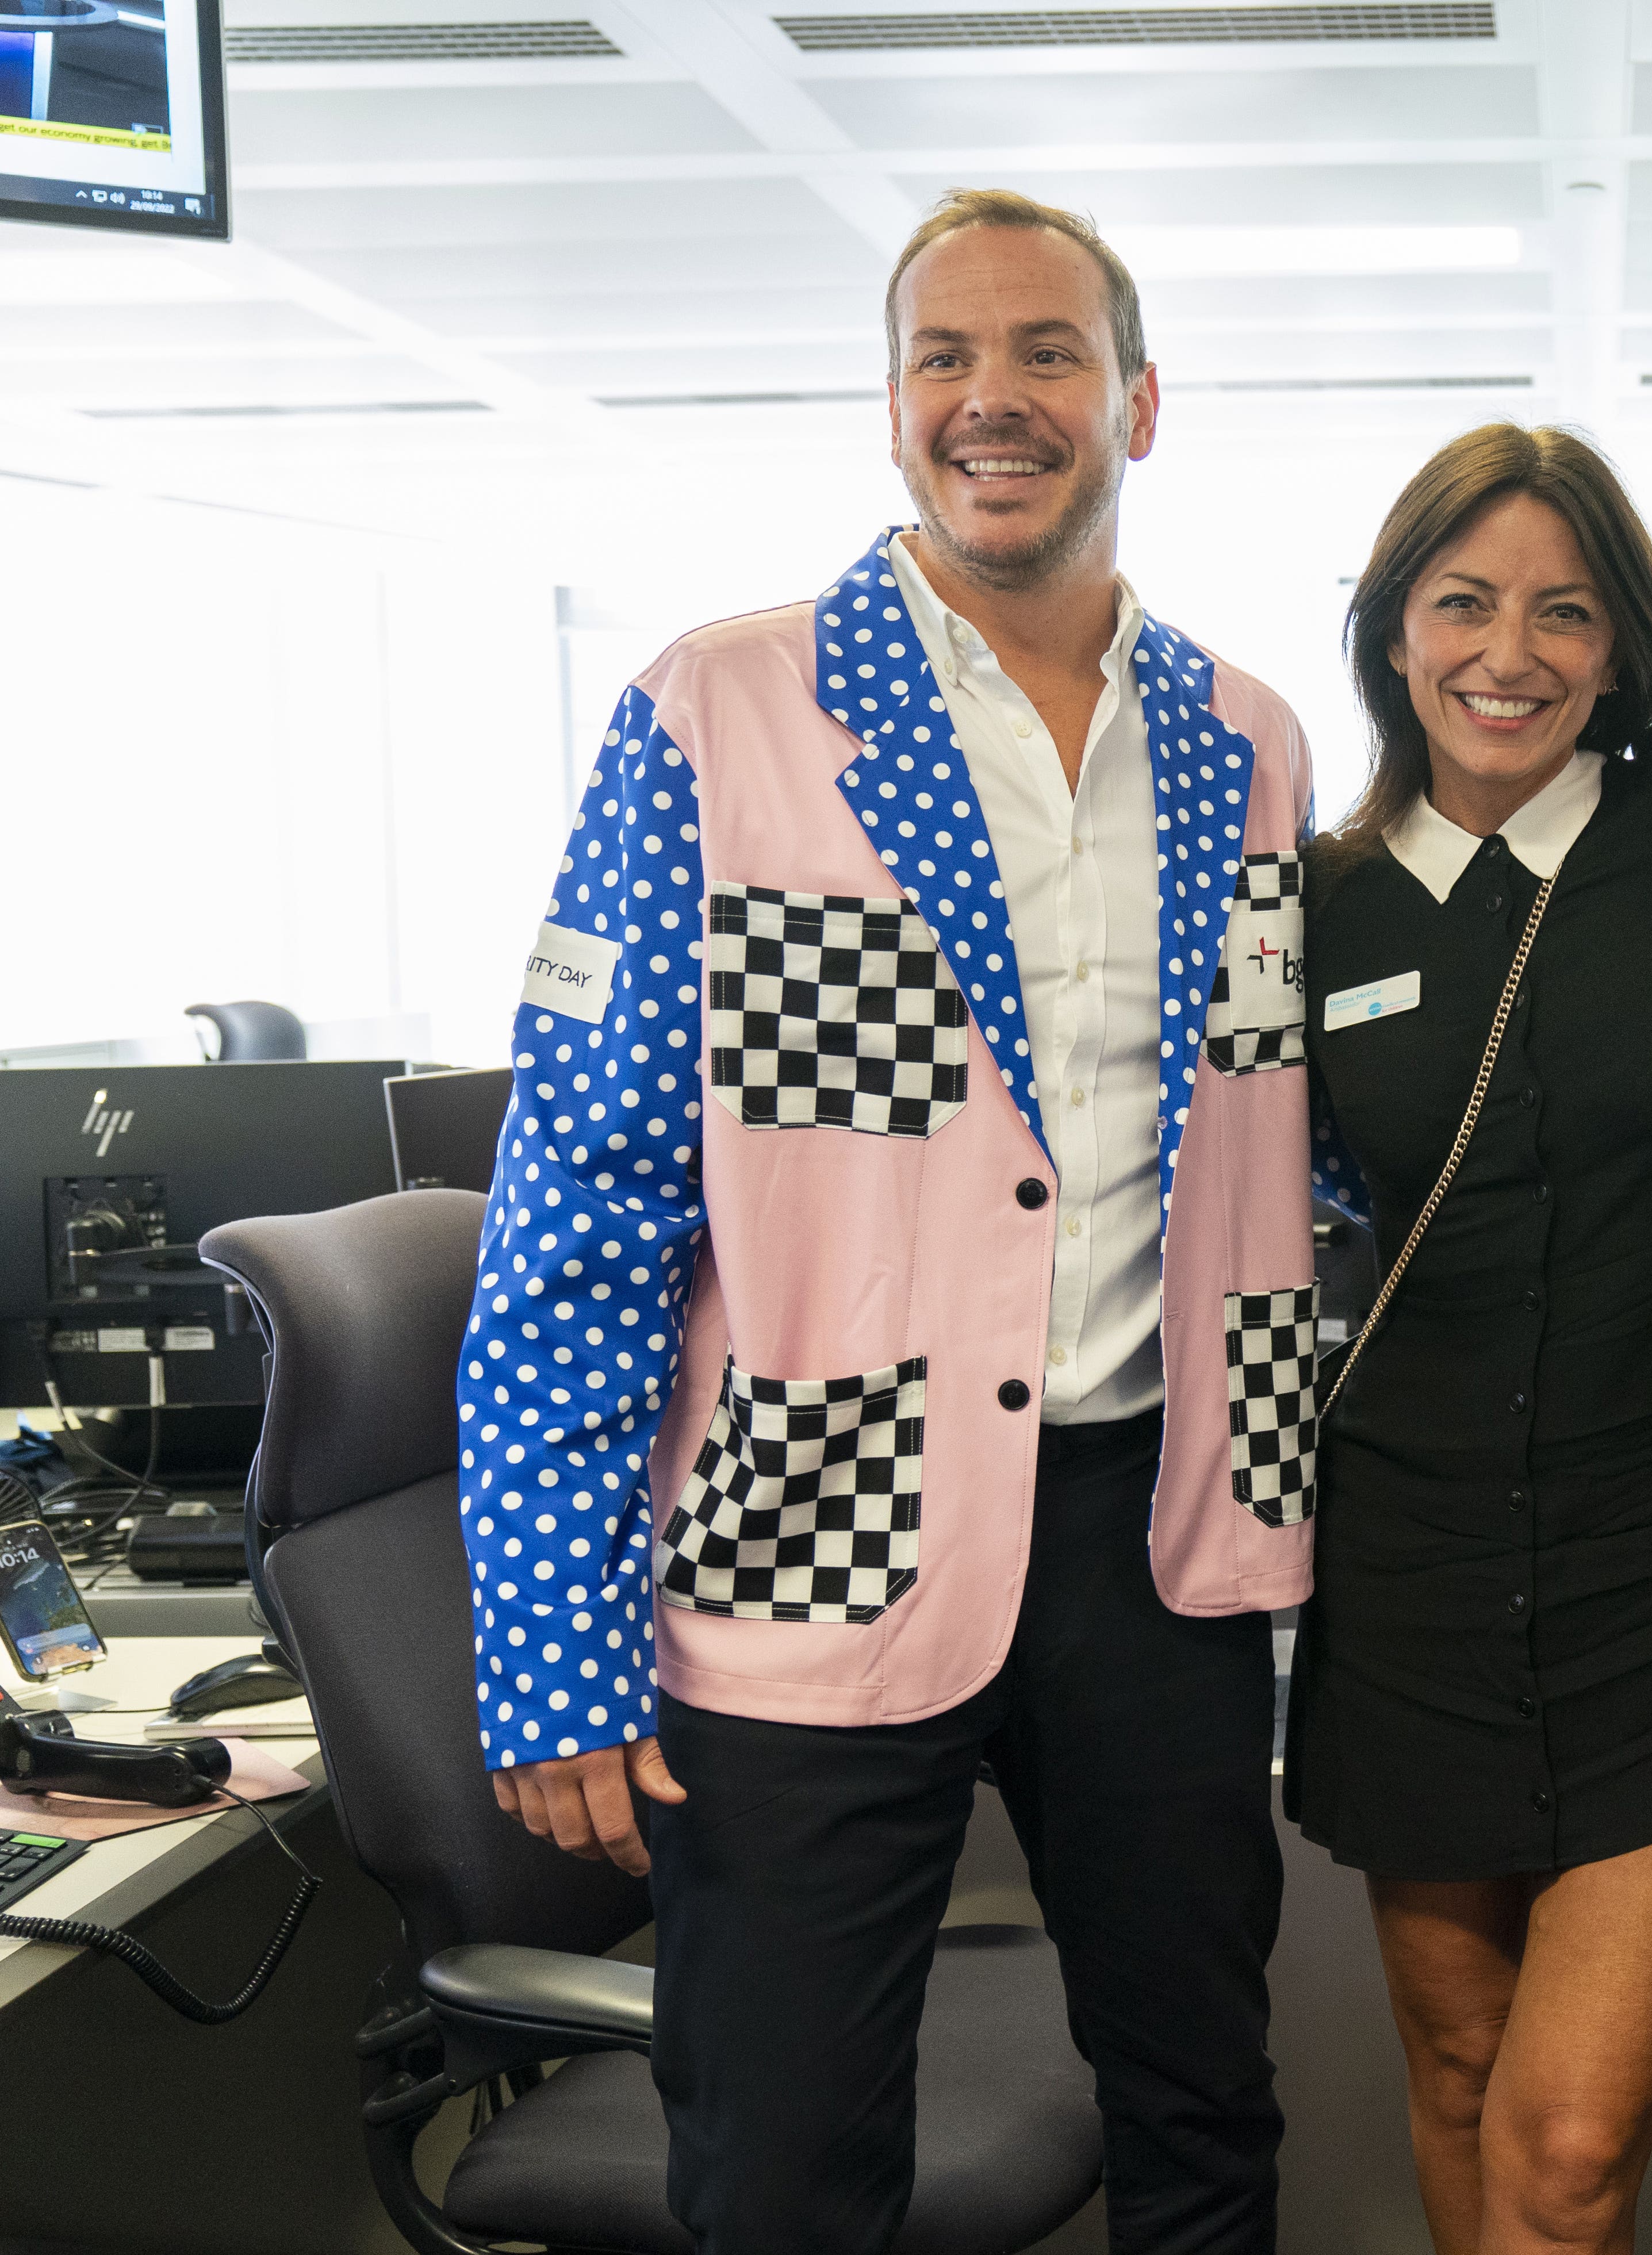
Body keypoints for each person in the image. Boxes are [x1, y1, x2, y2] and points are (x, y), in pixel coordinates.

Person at [458, 189, 1320, 2254]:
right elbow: (575, 1192)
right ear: (890, 403)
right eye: (944, 356)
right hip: (808, 1538)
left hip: (1154, 1542)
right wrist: (548, 1646)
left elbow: (1272, 1143)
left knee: (1201, 2106)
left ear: (1136, 400)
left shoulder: (1241, 738)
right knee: (783, 2150)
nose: (990, 399)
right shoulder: (718, 710)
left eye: (1040, 354)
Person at [1287, 423, 1652, 2255]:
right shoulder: (1314, 900)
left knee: (1573, 2129)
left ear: (1623, 646)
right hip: (1411, 1567)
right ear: (1390, 628)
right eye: (1461, 601)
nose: (1505, 651)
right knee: (1456, 2067)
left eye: (1562, 609)